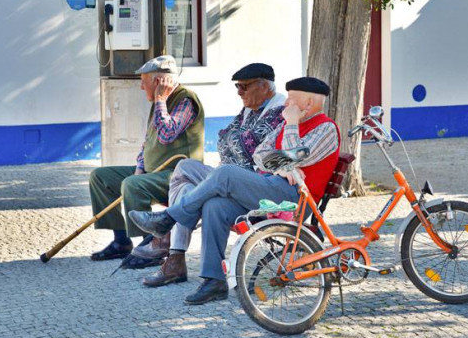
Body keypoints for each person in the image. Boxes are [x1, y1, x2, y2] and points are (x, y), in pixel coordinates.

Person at [129, 77, 340, 305]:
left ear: (308, 104)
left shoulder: (326, 128)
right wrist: (282, 165)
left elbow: (294, 153)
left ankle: (168, 218)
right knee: (215, 206)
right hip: (269, 189)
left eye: (291, 99)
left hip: (294, 199)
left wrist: (290, 127)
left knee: (226, 173)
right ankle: (214, 281)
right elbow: (260, 154)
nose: (286, 103)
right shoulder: (285, 123)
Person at [139, 63, 286, 287]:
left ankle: (169, 227)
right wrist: (237, 141)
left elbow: (248, 147)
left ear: (264, 86)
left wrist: (236, 142)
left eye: (244, 87)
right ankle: (176, 255)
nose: (239, 92)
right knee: (185, 169)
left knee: (218, 176)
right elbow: (226, 139)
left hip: (256, 185)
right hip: (233, 180)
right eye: (237, 86)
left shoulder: (279, 111)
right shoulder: (250, 109)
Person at [88, 55, 204, 266]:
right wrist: (140, 168)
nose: (141, 87)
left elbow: (167, 134)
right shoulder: (159, 104)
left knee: (133, 185)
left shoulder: (185, 99)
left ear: (159, 82)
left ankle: (150, 248)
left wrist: (161, 100)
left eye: (144, 81)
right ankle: (121, 241)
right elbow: (148, 141)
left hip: (179, 176)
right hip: (153, 172)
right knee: (101, 177)